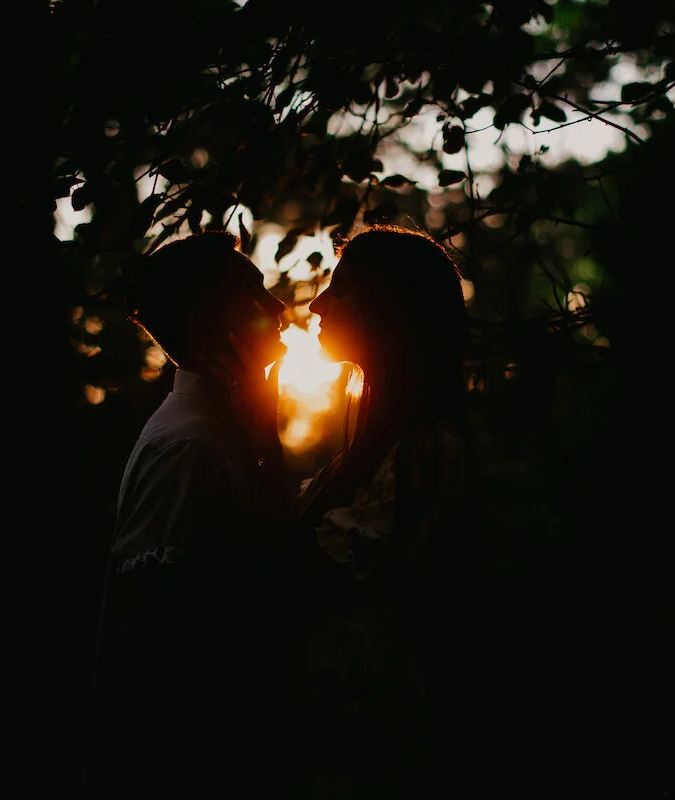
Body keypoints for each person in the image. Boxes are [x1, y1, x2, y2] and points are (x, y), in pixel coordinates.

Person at [215, 224, 482, 798]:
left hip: (366, 735)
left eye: (342, 288)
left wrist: (263, 440)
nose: (317, 303)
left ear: (389, 309)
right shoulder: (372, 447)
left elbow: (291, 583)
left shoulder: (424, 452)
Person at [81, 230, 292, 799]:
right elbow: (153, 641)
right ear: (209, 319)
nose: (278, 308)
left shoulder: (224, 431)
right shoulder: (190, 446)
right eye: (256, 294)